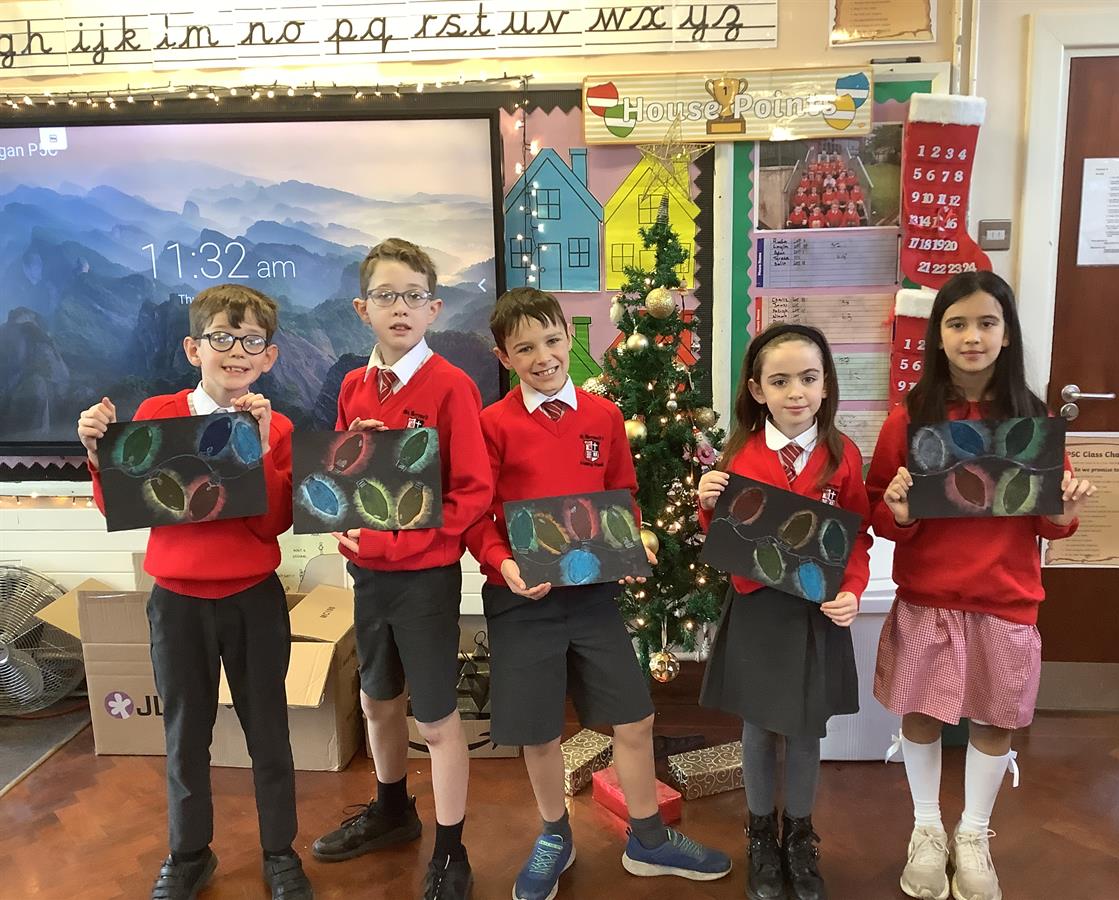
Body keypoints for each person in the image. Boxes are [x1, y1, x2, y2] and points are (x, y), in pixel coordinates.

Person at [465, 287, 731, 900]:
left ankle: (649, 839)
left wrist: (629, 545)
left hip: (591, 598)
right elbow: (477, 516)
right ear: (504, 357)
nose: (543, 357)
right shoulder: (491, 424)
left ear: (569, 338)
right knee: (538, 731)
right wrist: (503, 563)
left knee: (634, 717)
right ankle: (555, 835)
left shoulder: (604, 417)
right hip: (522, 598)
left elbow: (622, 495)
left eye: (552, 341)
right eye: (524, 349)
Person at [77, 284, 312, 900]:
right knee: (185, 732)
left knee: (268, 730)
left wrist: (262, 449)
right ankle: (189, 853)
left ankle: (279, 851)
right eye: (222, 338)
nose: (236, 352)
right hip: (177, 600)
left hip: (254, 599)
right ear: (193, 349)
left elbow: (273, 523)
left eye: (252, 341)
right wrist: (99, 457)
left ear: (269, 356)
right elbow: (123, 503)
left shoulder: (278, 425)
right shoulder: (158, 414)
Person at [866, 271, 1095, 900]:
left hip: (1005, 597)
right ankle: (926, 829)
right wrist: (900, 511)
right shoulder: (908, 420)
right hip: (928, 597)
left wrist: (1066, 510)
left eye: (987, 323)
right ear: (937, 336)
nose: (972, 337)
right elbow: (880, 511)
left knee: (995, 720)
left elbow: (1050, 520)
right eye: (957, 323)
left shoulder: (1033, 420)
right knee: (921, 714)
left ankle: (972, 834)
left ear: (1007, 333)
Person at [310, 238, 492, 900]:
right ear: (363, 308)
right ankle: (392, 811)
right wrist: (342, 520)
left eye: (414, 296)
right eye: (385, 295)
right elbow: (344, 478)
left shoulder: (452, 387)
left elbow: (471, 494)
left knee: (436, 720)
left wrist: (394, 543)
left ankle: (451, 849)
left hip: (425, 580)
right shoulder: (354, 385)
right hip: (368, 578)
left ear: (433, 308)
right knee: (375, 699)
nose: (400, 308)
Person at [697, 324, 872, 900]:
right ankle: (759, 835)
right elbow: (725, 535)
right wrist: (706, 505)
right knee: (757, 726)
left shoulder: (843, 456)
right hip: (758, 608)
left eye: (808, 378)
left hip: (815, 613)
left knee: (803, 728)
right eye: (780, 381)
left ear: (826, 385)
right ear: (757, 389)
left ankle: (798, 835)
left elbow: (857, 537)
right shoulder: (738, 455)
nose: (795, 392)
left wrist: (852, 589)